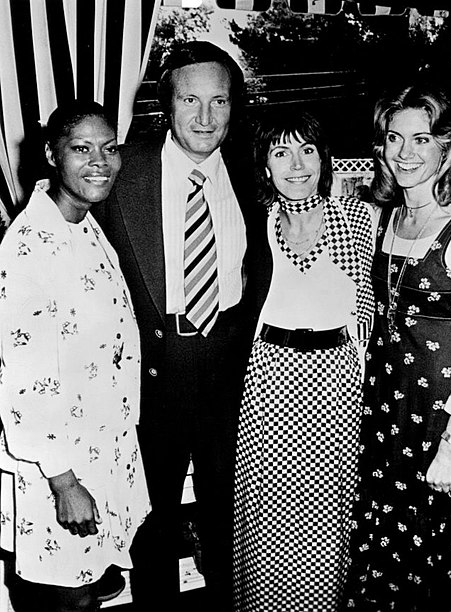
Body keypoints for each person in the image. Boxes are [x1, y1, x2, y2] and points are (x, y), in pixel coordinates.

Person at [92, 41, 266, 611]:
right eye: (190, 99)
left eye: (219, 101)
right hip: (150, 375)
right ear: (166, 104)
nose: (205, 117)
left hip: (232, 372)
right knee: (154, 523)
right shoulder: (122, 169)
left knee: (231, 518)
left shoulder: (250, 171)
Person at [343, 84, 451, 611]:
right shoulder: (383, 220)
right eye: (394, 138)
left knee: (438, 555)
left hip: (439, 421)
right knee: (388, 546)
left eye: (422, 139)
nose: (405, 153)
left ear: (448, 150)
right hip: (386, 410)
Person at [0, 100, 150, 612]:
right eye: (81, 148)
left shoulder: (85, 228)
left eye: (110, 148)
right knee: (68, 598)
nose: (100, 161)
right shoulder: (28, 247)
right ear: (50, 154)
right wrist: (64, 481)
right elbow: (22, 378)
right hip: (58, 467)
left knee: (93, 588)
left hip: (99, 453)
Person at [232, 110, 376, 611]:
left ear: (323, 158)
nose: (296, 164)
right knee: (267, 519)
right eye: (280, 153)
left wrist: (361, 390)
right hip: (268, 383)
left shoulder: (357, 220)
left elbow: (368, 312)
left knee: (322, 524)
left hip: (334, 381)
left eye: (307, 150)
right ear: (264, 166)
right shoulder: (256, 223)